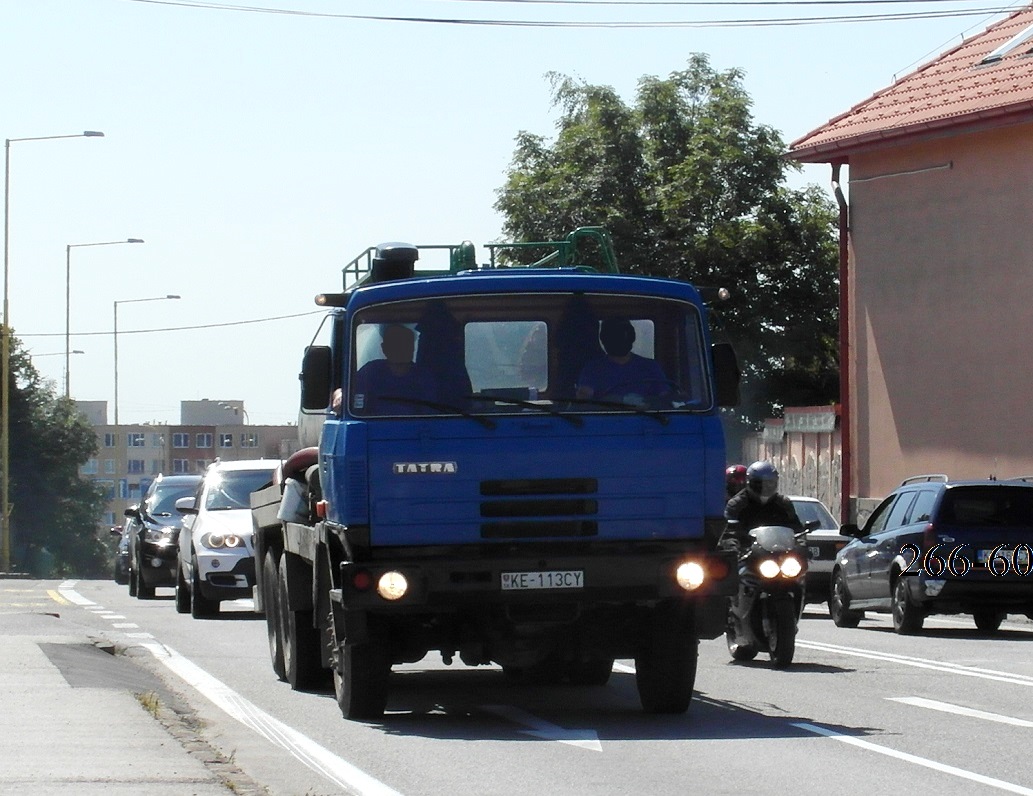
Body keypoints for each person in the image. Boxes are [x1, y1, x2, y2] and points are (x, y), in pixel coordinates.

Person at [352, 324, 439, 415]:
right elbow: (352, 397)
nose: (401, 348)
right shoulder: (369, 372)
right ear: (384, 348)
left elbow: (429, 415)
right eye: (395, 344)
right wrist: (339, 394)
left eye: (406, 343)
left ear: (412, 347)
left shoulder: (424, 377)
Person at [575, 318, 668, 403]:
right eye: (614, 336)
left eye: (623, 335)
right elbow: (583, 400)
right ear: (604, 339)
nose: (619, 340)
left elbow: (665, 399)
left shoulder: (651, 367)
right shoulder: (592, 369)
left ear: (632, 337)